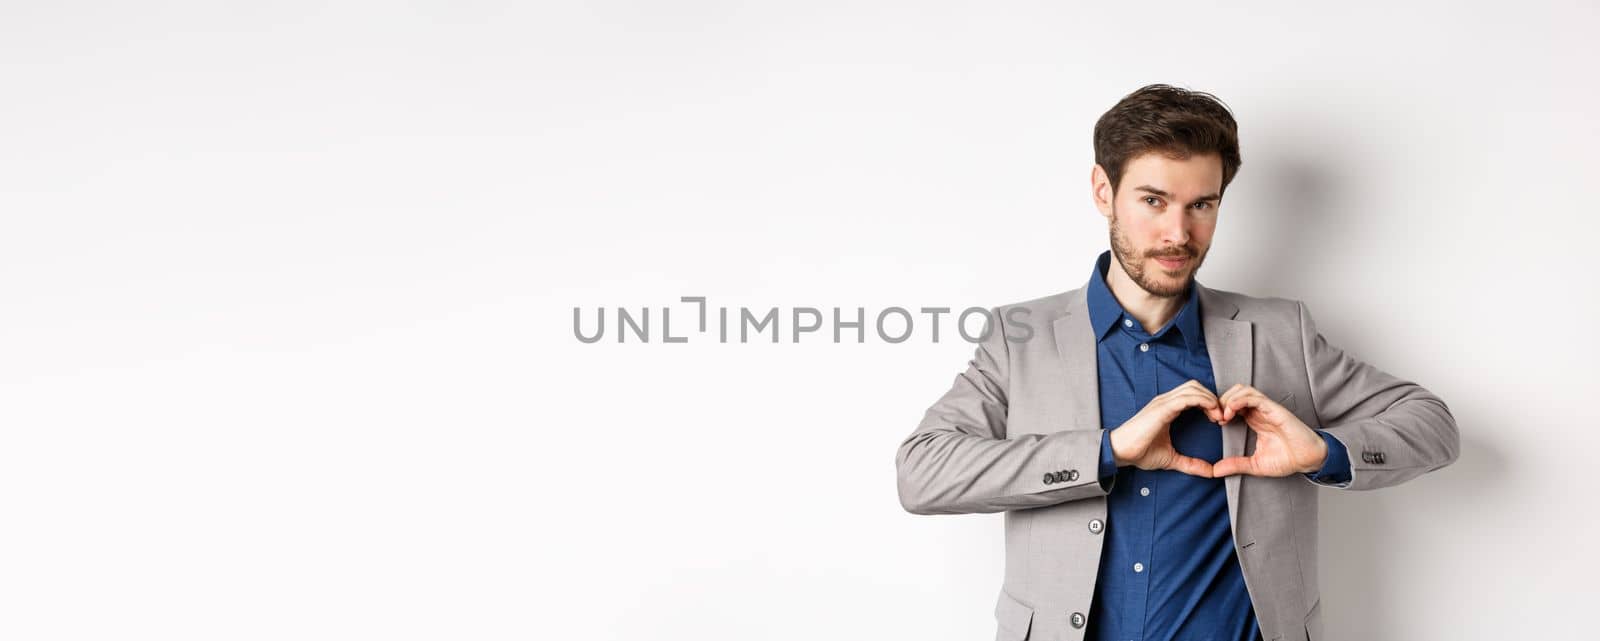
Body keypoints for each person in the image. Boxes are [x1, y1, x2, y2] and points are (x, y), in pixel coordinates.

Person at [894, 84, 1460, 641]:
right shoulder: (1021, 339)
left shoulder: (1281, 333)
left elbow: (1431, 423)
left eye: (1202, 205)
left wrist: (1323, 452)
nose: (1178, 233)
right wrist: (1106, 450)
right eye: (1153, 200)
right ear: (1102, 191)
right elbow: (922, 473)